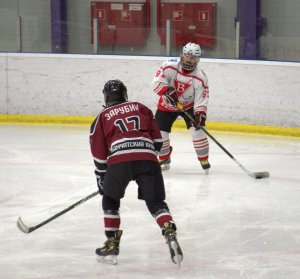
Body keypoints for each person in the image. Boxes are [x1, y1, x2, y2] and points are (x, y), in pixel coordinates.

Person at [89, 79, 183, 266]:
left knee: (110, 199)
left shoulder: (102, 116)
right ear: (125, 94)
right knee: (156, 202)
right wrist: (145, 154)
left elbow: (99, 152)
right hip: (147, 158)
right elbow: (158, 141)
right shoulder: (141, 107)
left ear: (106, 97)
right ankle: (168, 229)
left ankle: (112, 245)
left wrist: (102, 176)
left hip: (118, 162)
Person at [151, 42, 210, 172]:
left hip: (188, 106)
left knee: (198, 131)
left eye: (193, 57)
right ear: (182, 55)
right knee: (160, 134)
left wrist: (200, 114)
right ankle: (164, 157)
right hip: (167, 105)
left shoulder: (200, 77)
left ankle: (204, 158)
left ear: (198, 59)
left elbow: (202, 97)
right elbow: (155, 82)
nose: (189, 59)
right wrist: (166, 91)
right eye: (187, 56)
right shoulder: (169, 66)